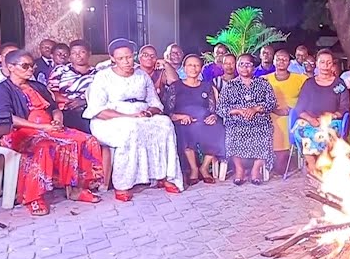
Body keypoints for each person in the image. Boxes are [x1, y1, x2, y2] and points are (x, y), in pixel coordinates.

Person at [0, 50, 104, 216]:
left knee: (87, 140)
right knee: (43, 146)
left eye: (32, 66)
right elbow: (7, 118)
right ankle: (33, 197)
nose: (30, 69)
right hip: (19, 132)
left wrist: (57, 120)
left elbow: (54, 109)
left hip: (49, 128)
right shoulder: (0, 90)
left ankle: (78, 189)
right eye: (25, 66)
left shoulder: (38, 87)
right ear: (11, 67)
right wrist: (41, 127)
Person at [83, 39, 184, 201]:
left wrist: (148, 113)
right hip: (110, 120)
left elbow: (155, 104)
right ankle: (123, 184)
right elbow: (98, 111)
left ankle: (166, 176)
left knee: (165, 124)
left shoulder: (142, 75)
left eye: (129, 57)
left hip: (141, 116)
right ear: (113, 58)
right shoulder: (103, 77)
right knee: (131, 129)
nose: (126, 61)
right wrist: (130, 116)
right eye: (121, 58)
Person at [219, 53, 278, 185]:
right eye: (241, 64)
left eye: (248, 64)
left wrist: (255, 109)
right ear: (237, 67)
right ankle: (239, 169)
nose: (245, 67)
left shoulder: (263, 83)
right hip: (236, 121)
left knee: (264, 132)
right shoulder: (230, 86)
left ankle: (255, 170)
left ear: (253, 67)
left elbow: (272, 103)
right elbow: (221, 108)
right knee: (232, 133)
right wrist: (238, 111)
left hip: (259, 120)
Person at [166, 53, 225, 185]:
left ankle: (204, 168)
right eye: (190, 65)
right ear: (184, 68)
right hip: (184, 121)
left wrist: (213, 116)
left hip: (204, 121)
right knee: (185, 130)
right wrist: (179, 117)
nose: (193, 68)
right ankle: (193, 169)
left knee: (218, 128)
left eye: (197, 65)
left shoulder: (207, 86)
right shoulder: (176, 86)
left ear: (201, 68)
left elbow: (213, 109)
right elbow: (168, 111)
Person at [291, 49, 350, 170]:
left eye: (328, 63)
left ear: (332, 64)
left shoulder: (339, 84)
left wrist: (327, 118)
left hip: (332, 121)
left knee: (323, 134)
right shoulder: (309, 83)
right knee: (302, 131)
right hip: (309, 121)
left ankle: (323, 166)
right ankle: (312, 165)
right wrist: (311, 120)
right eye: (322, 62)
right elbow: (300, 108)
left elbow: (344, 107)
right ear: (317, 64)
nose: (325, 66)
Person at [264, 49, 307, 174]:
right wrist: (275, 110)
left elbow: (307, 98)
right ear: (273, 61)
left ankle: (290, 159)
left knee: (291, 123)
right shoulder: (264, 79)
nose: (281, 62)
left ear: (289, 62)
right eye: (278, 59)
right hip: (272, 114)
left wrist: (293, 110)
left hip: (295, 115)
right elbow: (260, 100)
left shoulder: (301, 79)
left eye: (284, 59)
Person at [52, 40, 97, 133]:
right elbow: (51, 92)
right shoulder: (61, 70)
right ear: (70, 55)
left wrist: (84, 102)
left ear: (89, 54)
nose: (78, 55)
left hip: (89, 110)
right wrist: (69, 101)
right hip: (65, 110)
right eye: (74, 53)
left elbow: (100, 95)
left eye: (82, 52)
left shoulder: (97, 74)